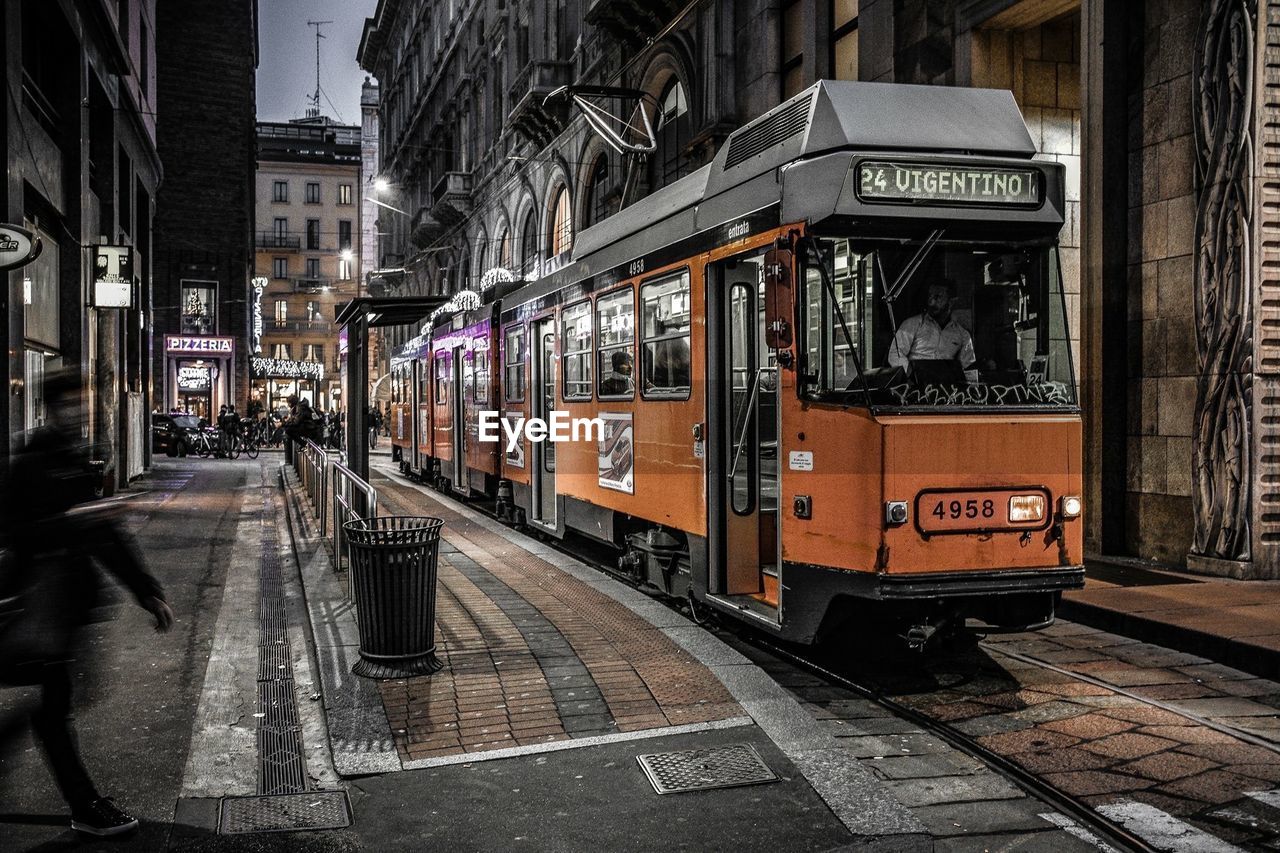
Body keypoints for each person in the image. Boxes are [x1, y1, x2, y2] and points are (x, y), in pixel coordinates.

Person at [0, 370, 174, 837]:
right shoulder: (33, 461)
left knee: (57, 701)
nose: (81, 414)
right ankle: (85, 805)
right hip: (40, 602)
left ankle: (84, 803)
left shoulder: (72, 459)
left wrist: (146, 590)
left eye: (84, 406)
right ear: (52, 409)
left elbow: (105, 535)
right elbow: (18, 532)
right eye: (72, 406)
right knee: (53, 705)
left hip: (66, 604)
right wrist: (73, 518)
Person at [887, 280, 978, 383]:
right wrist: (911, 375)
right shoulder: (912, 324)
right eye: (930, 296)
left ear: (951, 302)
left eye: (938, 297)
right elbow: (895, 353)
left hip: (945, 389)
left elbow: (967, 366)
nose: (931, 302)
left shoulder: (962, 335)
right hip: (915, 386)